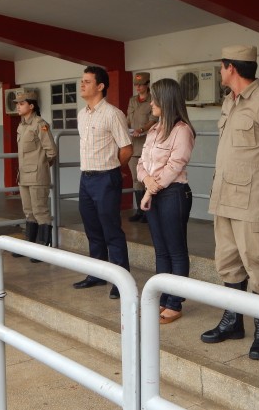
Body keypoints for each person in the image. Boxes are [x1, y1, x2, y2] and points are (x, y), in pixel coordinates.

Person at [202, 45, 259, 360]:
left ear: (231, 67)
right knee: (227, 263)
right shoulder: (229, 101)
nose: (220, 72)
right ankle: (232, 322)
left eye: (221, 66)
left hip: (252, 200)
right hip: (224, 197)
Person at [137, 78, 195, 324]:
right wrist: (147, 182)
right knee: (161, 251)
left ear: (167, 100)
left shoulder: (182, 130)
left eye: (155, 99)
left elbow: (175, 165)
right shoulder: (153, 130)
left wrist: (150, 190)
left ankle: (175, 303)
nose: (151, 103)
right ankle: (162, 298)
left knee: (176, 250)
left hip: (173, 194)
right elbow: (141, 163)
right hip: (155, 192)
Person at [72, 66, 132, 300]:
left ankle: (121, 281)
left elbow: (126, 148)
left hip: (106, 177)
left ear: (100, 86)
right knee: (92, 229)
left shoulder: (112, 114)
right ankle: (97, 274)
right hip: (86, 178)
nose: (82, 85)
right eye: (82, 81)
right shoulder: (82, 114)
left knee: (111, 230)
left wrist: (113, 168)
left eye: (87, 81)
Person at [12, 89, 58, 262]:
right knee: (29, 212)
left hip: (37, 176)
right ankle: (30, 247)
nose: (18, 106)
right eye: (17, 104)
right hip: (24, 175)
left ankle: (43, 251)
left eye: (21, 103)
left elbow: (51, 151)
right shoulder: (22, 125)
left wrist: (41, 167)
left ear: (31, 106)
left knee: (40, 212)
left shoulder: (40, 124)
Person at [127, 72, 157, 223]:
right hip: (134, 146)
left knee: (148, 179)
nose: (138, 87)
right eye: (136, 85)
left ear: (147, 85)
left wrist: (142, 129)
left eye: (141, 84)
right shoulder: (132, 100)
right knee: (135, 179)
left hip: (147, 146)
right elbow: (128, 119)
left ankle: (148, 212)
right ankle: (140, 210)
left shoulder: (153, 100)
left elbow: (153, 120)